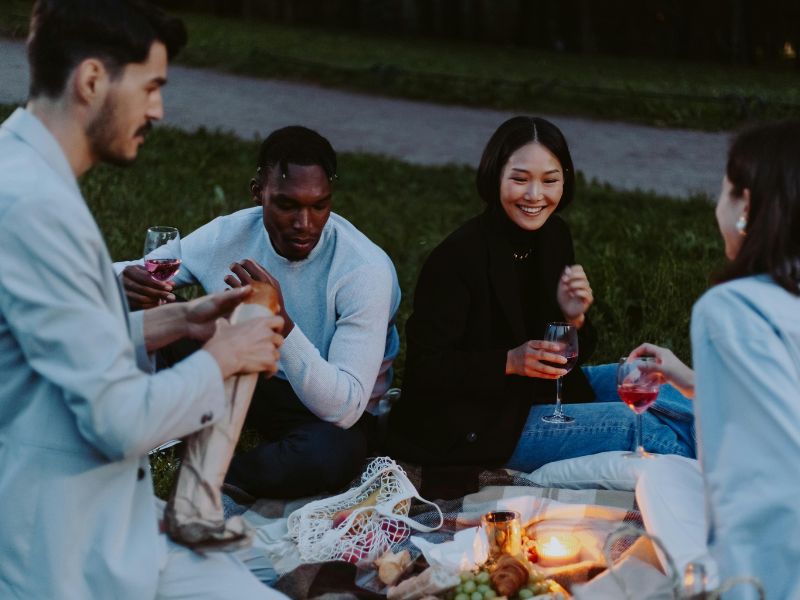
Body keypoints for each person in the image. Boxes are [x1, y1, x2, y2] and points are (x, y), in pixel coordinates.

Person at [0, 1, 288, 599]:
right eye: (152, 86)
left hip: (111, 528)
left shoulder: (22, 169)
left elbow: (47, 342)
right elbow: (119, 420)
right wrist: (224, 356)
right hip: (62, 555)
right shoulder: (33, 206)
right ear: (92, 80)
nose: (158, 109)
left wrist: (181, 316)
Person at [387, 115, 694, 471]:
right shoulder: (457, 257)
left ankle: (752, 447)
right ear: (495, 176)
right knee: (648, 431)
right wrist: (509, 362)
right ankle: (739, 477)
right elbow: (424, 371)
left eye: (550, 181)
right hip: (481, 423)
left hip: (548, 393)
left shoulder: (554, 236)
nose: (535, 196)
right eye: (519, 179)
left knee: (660, 382)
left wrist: (573, 318)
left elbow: (568, 355)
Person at [115, 125, 401, 499]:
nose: (305, 223)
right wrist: (125, 283)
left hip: (322, 409)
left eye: (319, 205)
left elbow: (344, 408)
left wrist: (281, 324)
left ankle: (218, 469)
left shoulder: (364, 270)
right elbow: (143, 269)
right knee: (155, 313)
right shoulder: (229, 233)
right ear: (258, 193)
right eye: (287, 205)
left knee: (333, 453)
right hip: (241, 373)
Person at [627, 121, 800, 599]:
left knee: (662, 475)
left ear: (747, 205)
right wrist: (691, 382)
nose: (715, 205)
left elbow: (760, 479)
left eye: (723, 192)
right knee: (666, 471)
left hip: (774, 567)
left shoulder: (733, 308)